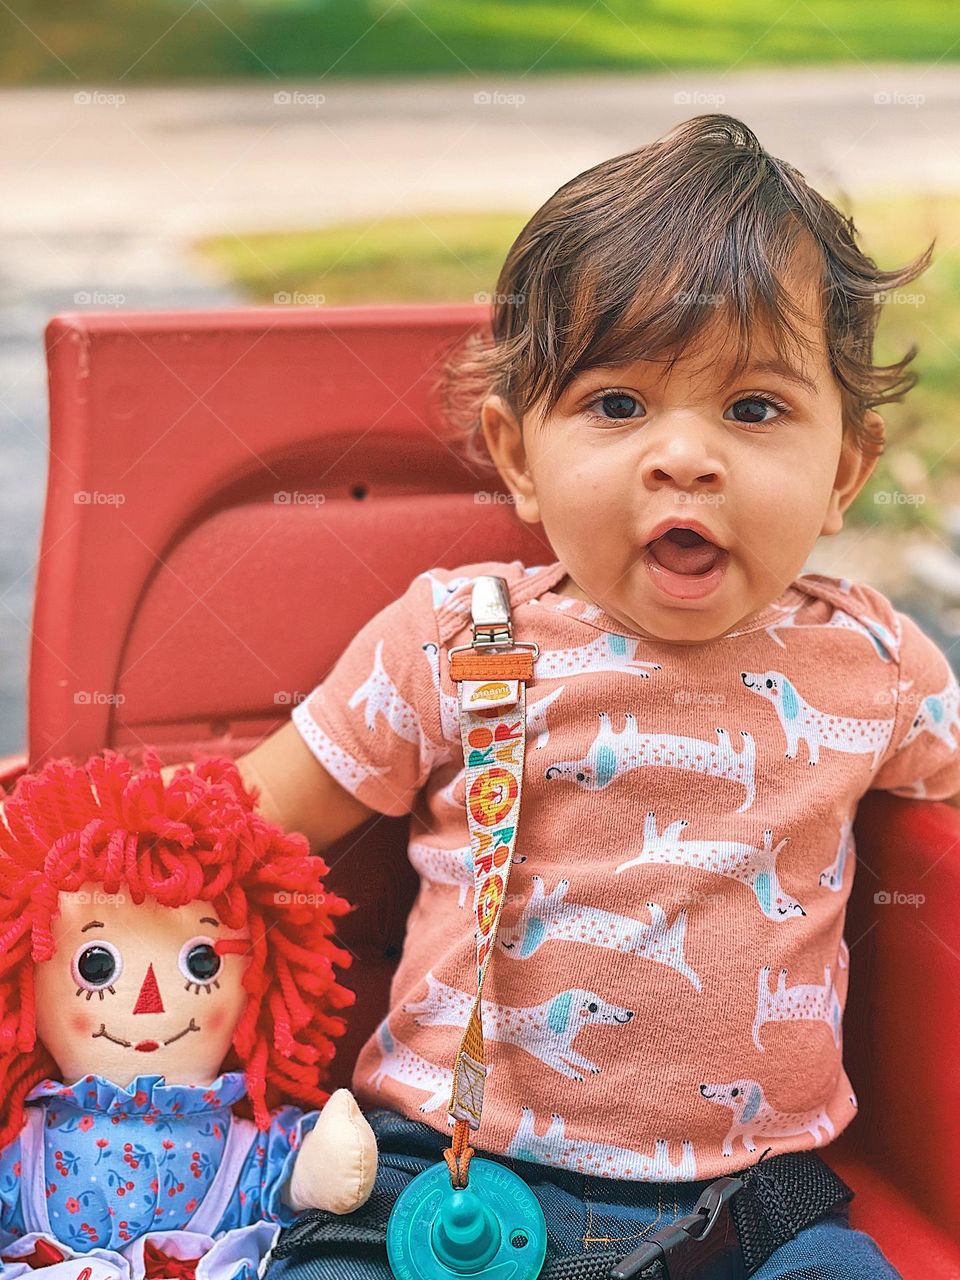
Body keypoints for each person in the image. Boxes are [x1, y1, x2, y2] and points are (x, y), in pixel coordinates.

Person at [172, 114, 960, 1278]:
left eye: (753, 409)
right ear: (518, 455)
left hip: (754, 1199)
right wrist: (70, 846)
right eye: (618, 405)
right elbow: (243, 822)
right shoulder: (455, 637)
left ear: (844, 467)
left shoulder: (875, 662)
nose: (683, 457)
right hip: (443, 1171)